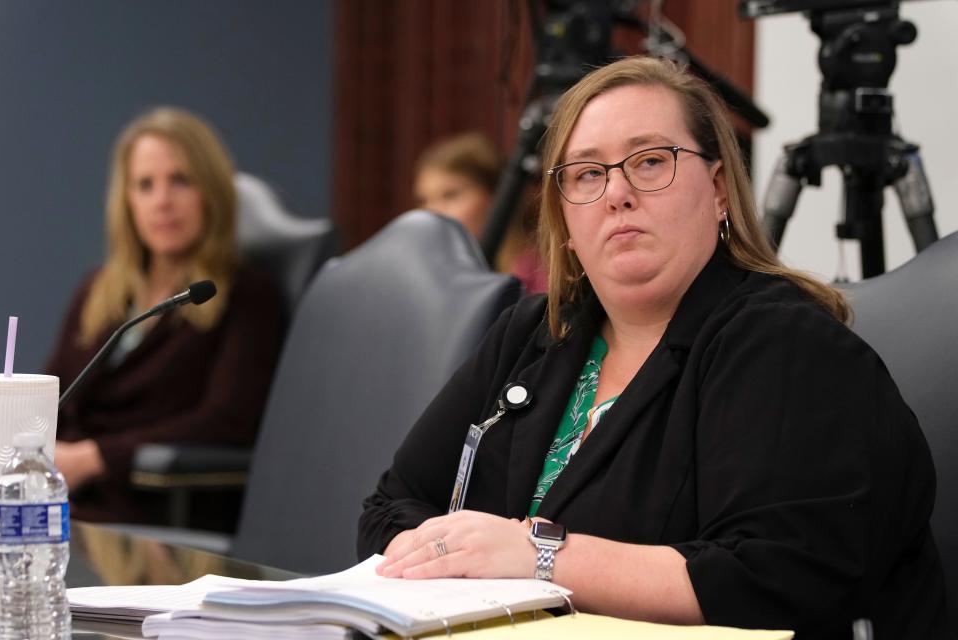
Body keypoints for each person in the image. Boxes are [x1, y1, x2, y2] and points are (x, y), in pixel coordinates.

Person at [358, 57, 949, 637]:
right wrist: (440, 555)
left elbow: (774, 579)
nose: (617, 193)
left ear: (719, 188)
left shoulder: (788, 346)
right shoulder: (533, 334)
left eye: (649, 162)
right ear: (564, 217)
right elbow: (391, 507)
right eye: (587, 174)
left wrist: (534, 556)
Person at [46, 107, 283, 525]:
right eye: (145, 185)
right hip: (65, 499)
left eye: (180, 180)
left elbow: (226, 421)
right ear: (127, 201)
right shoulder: (98, 290)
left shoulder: (247, 296)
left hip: (153, 513)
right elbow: (54, 399)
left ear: (210, 191)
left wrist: (97, 457)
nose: (162, 201)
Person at [414, 132, 547, 293]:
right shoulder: (427, 276)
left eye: (451, 195)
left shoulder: (540, 272)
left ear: (497, 197)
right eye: (424, 200)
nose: (433, 212)